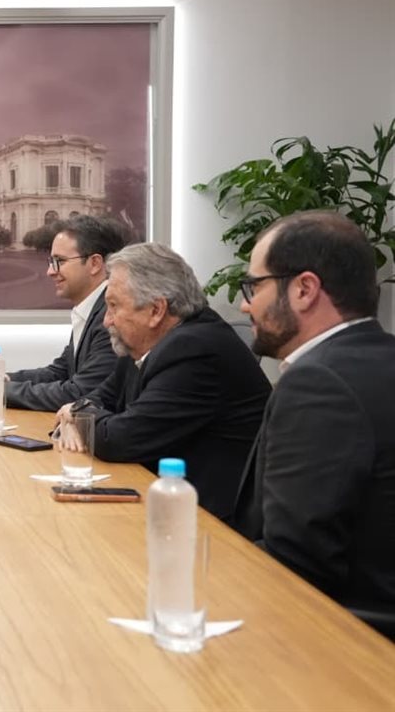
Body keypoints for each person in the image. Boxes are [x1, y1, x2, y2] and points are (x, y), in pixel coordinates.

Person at [232, 211, 394, 615]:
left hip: (341, 647)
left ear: (305, 289)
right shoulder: (379, 358)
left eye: (254, 286)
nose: (243, 304)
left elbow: (296, 565)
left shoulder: (319, 383)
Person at [53, 242, 271, 520]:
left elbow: (120, 438)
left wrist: (76, 413)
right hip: (167, 501)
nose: (106, 321)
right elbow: (99, 398)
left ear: (156, 310)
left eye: (114, 306)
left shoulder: (196, 349)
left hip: (212, 526)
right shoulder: (142, 343)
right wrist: (83, 412)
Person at [0, 215, 125, 410]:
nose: (50, 271)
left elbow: (80, 393)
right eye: (51, 261)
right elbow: (59, 372)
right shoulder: (91, 309)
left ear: (94, 263)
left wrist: (0, 390)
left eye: (59, 261)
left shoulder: (112, 317)